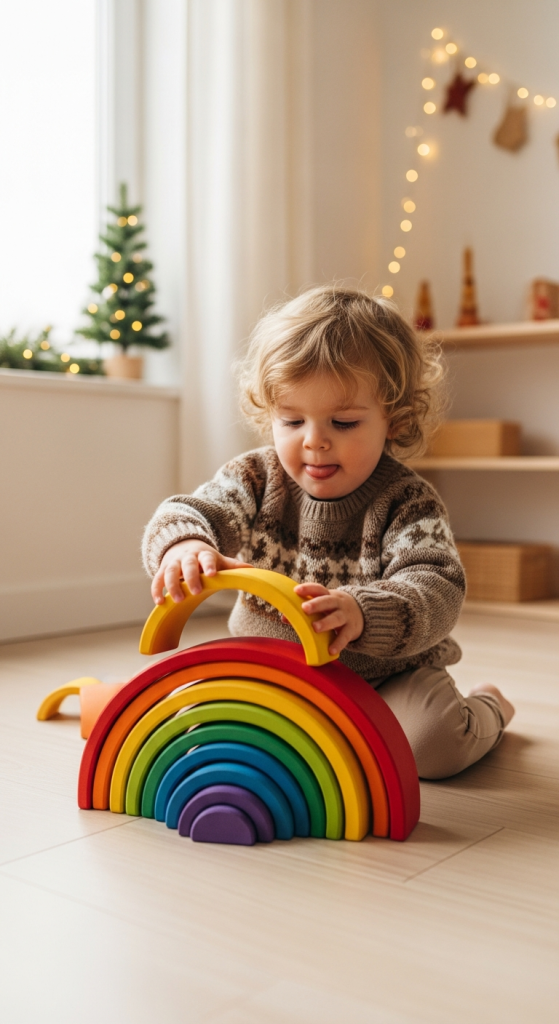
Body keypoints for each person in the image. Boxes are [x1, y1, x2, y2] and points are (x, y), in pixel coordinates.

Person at [142, 285, 514, 779]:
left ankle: (489, 707)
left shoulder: (408, 501)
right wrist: (185, 545)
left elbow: (436, 587)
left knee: (434, 745)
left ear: (394, 420)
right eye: (292, 420)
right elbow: (191, 511)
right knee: (192, 726)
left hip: (385, 677)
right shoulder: (255, 478)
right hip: (272, 671)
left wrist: (362, 613)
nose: (314, 441)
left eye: (343, 422)